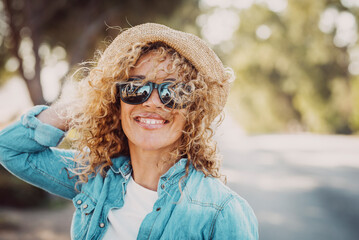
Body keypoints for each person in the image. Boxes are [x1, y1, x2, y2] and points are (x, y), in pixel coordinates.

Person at [0, 23, 258, 239]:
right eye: (136, 88)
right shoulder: (92, 178)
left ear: (193, 111)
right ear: (117, 101)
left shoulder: (223, 212)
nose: (152, 102)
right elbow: (10, 148)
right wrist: (90, 102)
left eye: (174, 92)